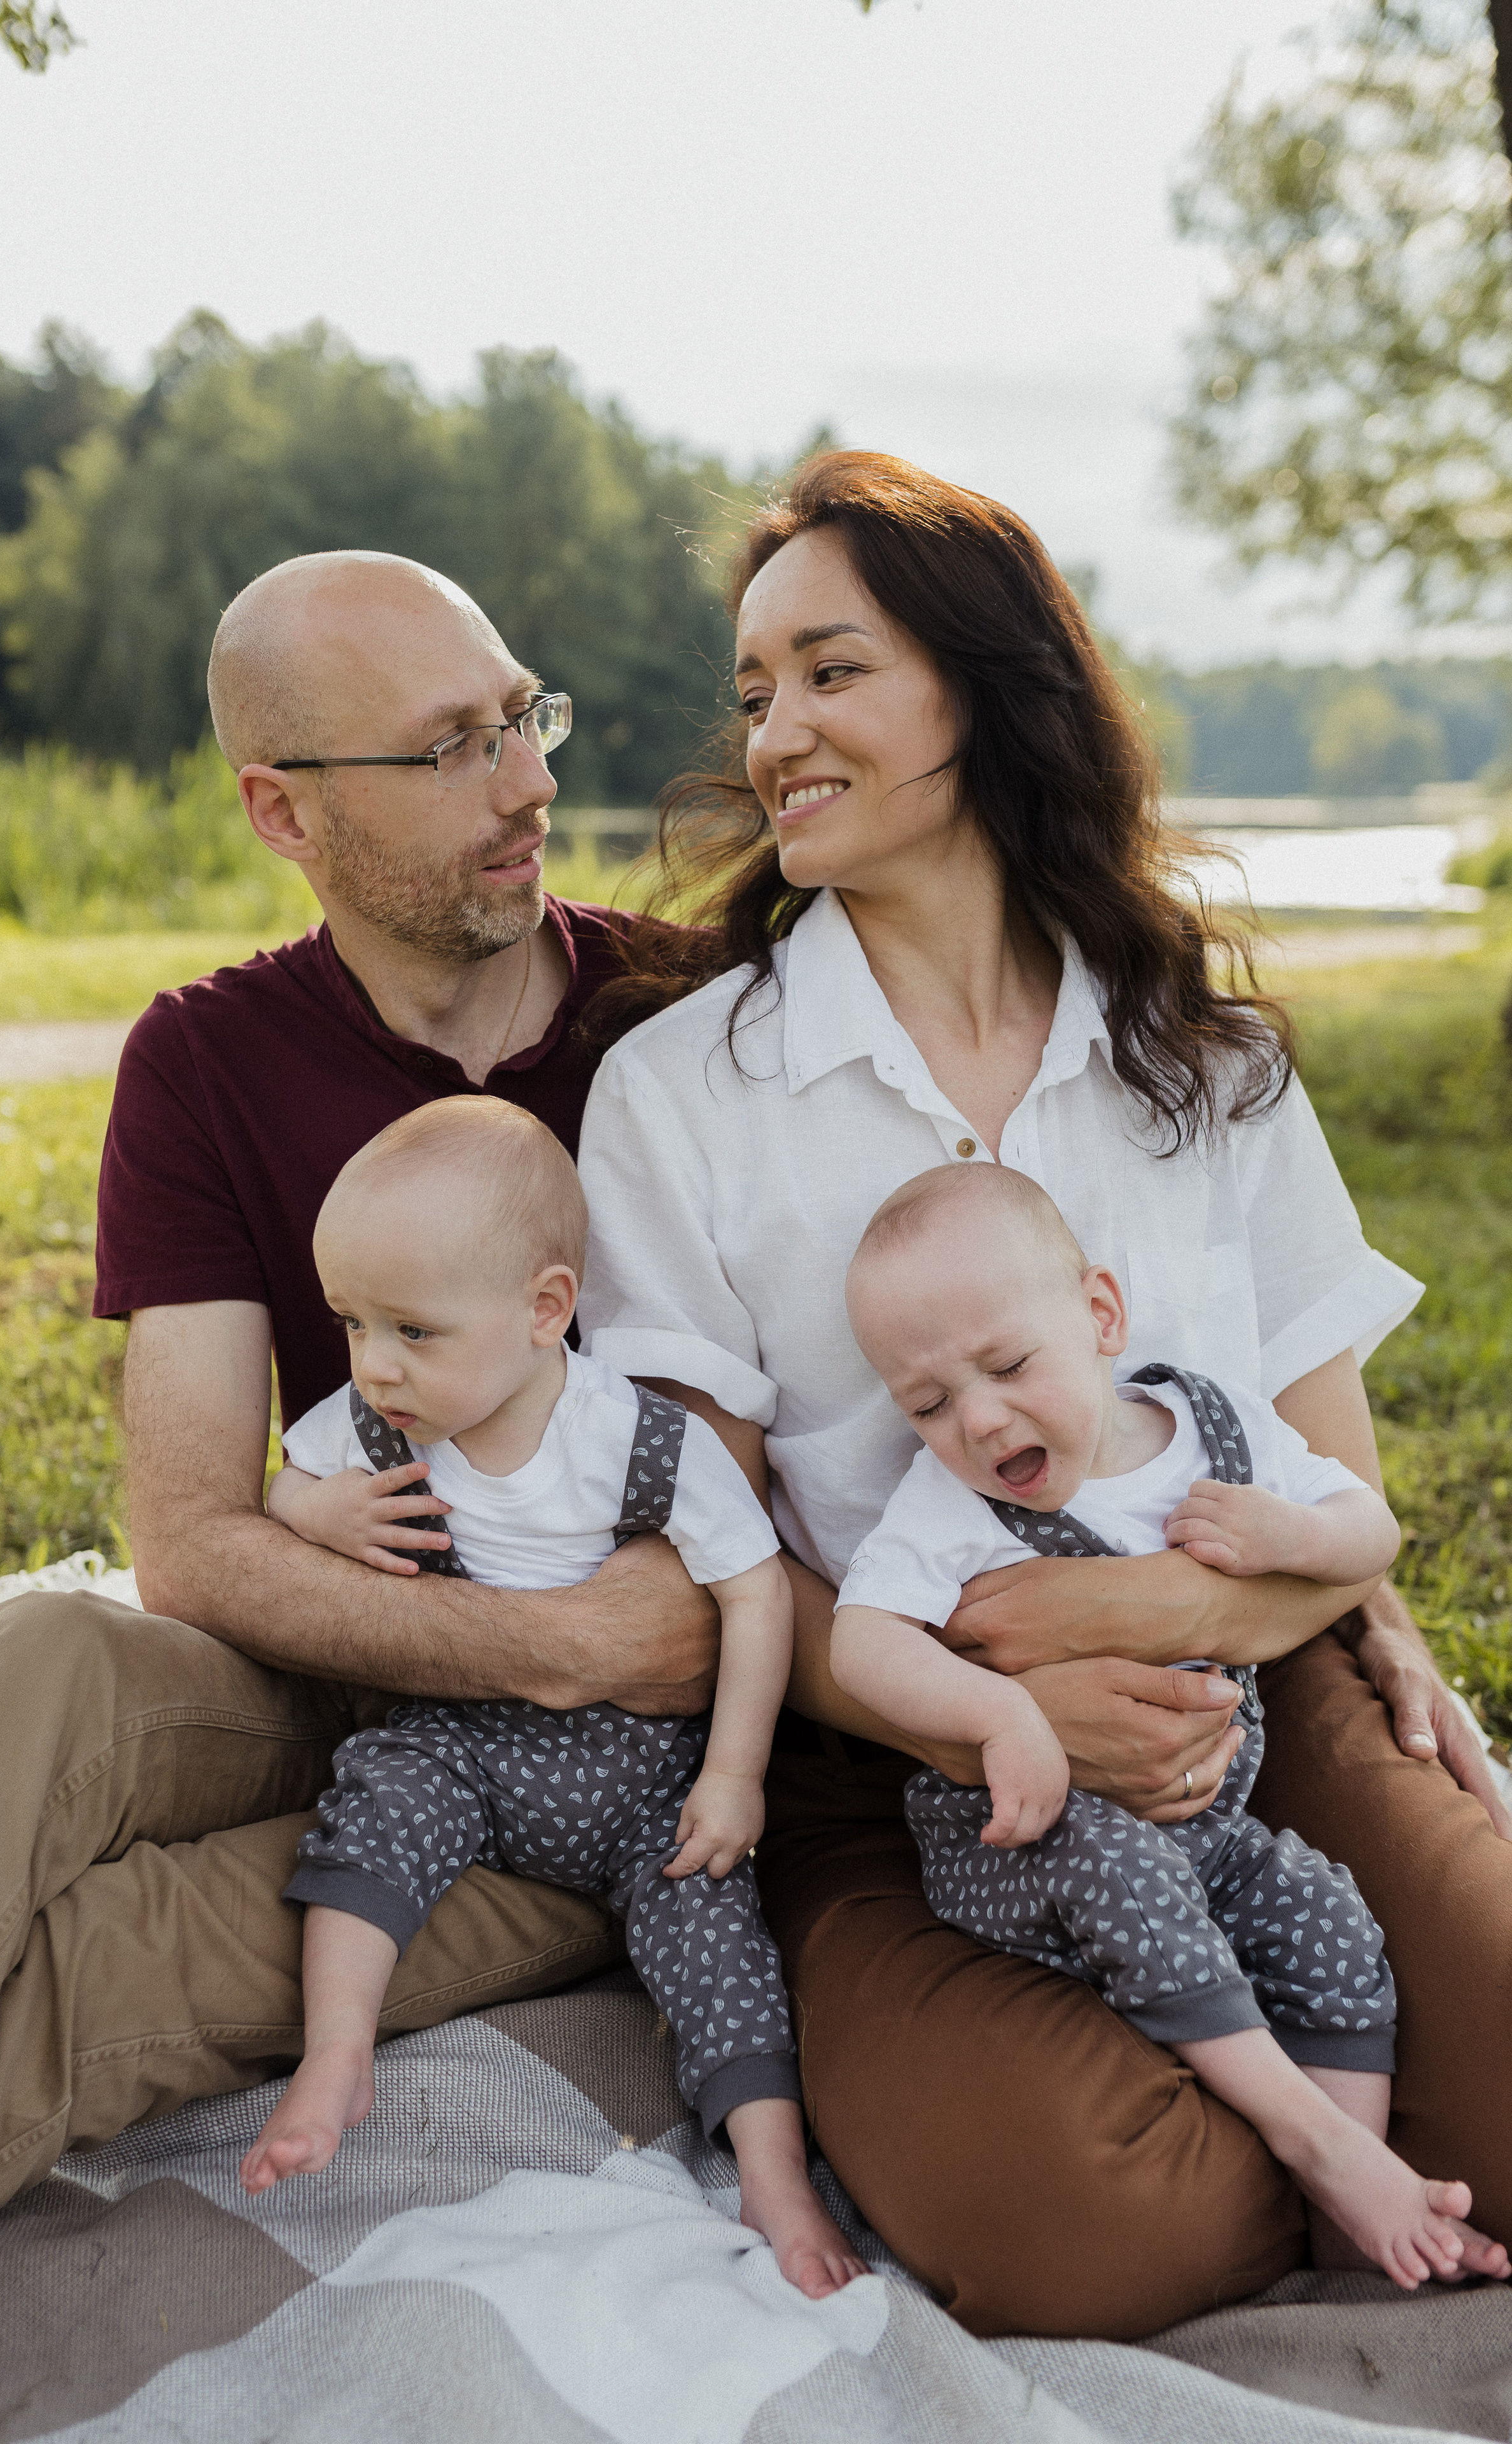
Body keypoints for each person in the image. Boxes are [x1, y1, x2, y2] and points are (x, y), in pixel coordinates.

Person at [575, 449, 1512, 2339]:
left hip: (1249, 1696)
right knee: (1095, 2232)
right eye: (755, 691)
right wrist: (1008, 1697)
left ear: (984, 685)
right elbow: (712, 1569)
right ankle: (1315, 2138)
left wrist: (1188, 1615)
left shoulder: (1204, 1054)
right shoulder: (682, 1096)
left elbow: (1335, 1476)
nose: (777, 734)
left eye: (832, 671)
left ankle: (1327, 2101)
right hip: (904, 1775)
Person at [0, 551, 720, 2276]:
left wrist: (585, 1670)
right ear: (284, 811)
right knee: (41, 1653)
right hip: (345, 1663)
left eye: (521, 717)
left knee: (97, 1958)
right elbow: (189, 1544)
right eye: (453, 749)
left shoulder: (689, 1022)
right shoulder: (203, 1059)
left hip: (563, 1800)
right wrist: (557, 1639)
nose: (532, 781)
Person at [833, 1158, 1507, 2294]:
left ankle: (1349, 2238)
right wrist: (997, 1712)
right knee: (1122, 1867)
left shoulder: (1212, 1431)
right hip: (1030, 1847)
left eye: (1006, 1366)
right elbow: (860, 1640)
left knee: (1324, 1912)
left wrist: (1291, 1540)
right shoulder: (948, 1505)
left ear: (1100, 1314)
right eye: (928, 1403)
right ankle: (1317, 2140)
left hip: (1207, 1827)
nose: (979, 1419)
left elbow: (1367, 1529)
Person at [239, 1095, 864, 2298]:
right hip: (463, 1740)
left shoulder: (634, 1440)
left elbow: (755, 1593)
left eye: (413, 1329)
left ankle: (773, 2173)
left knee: (714, 1927)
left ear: (546, 1309)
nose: (374, 1364)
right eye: (353, 1324)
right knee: (377, 1804)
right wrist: (314, 1510)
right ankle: (337, 2052)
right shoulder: (380, 1422)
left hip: (641, 1778)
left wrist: (733, 1775)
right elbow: (283, 1484)